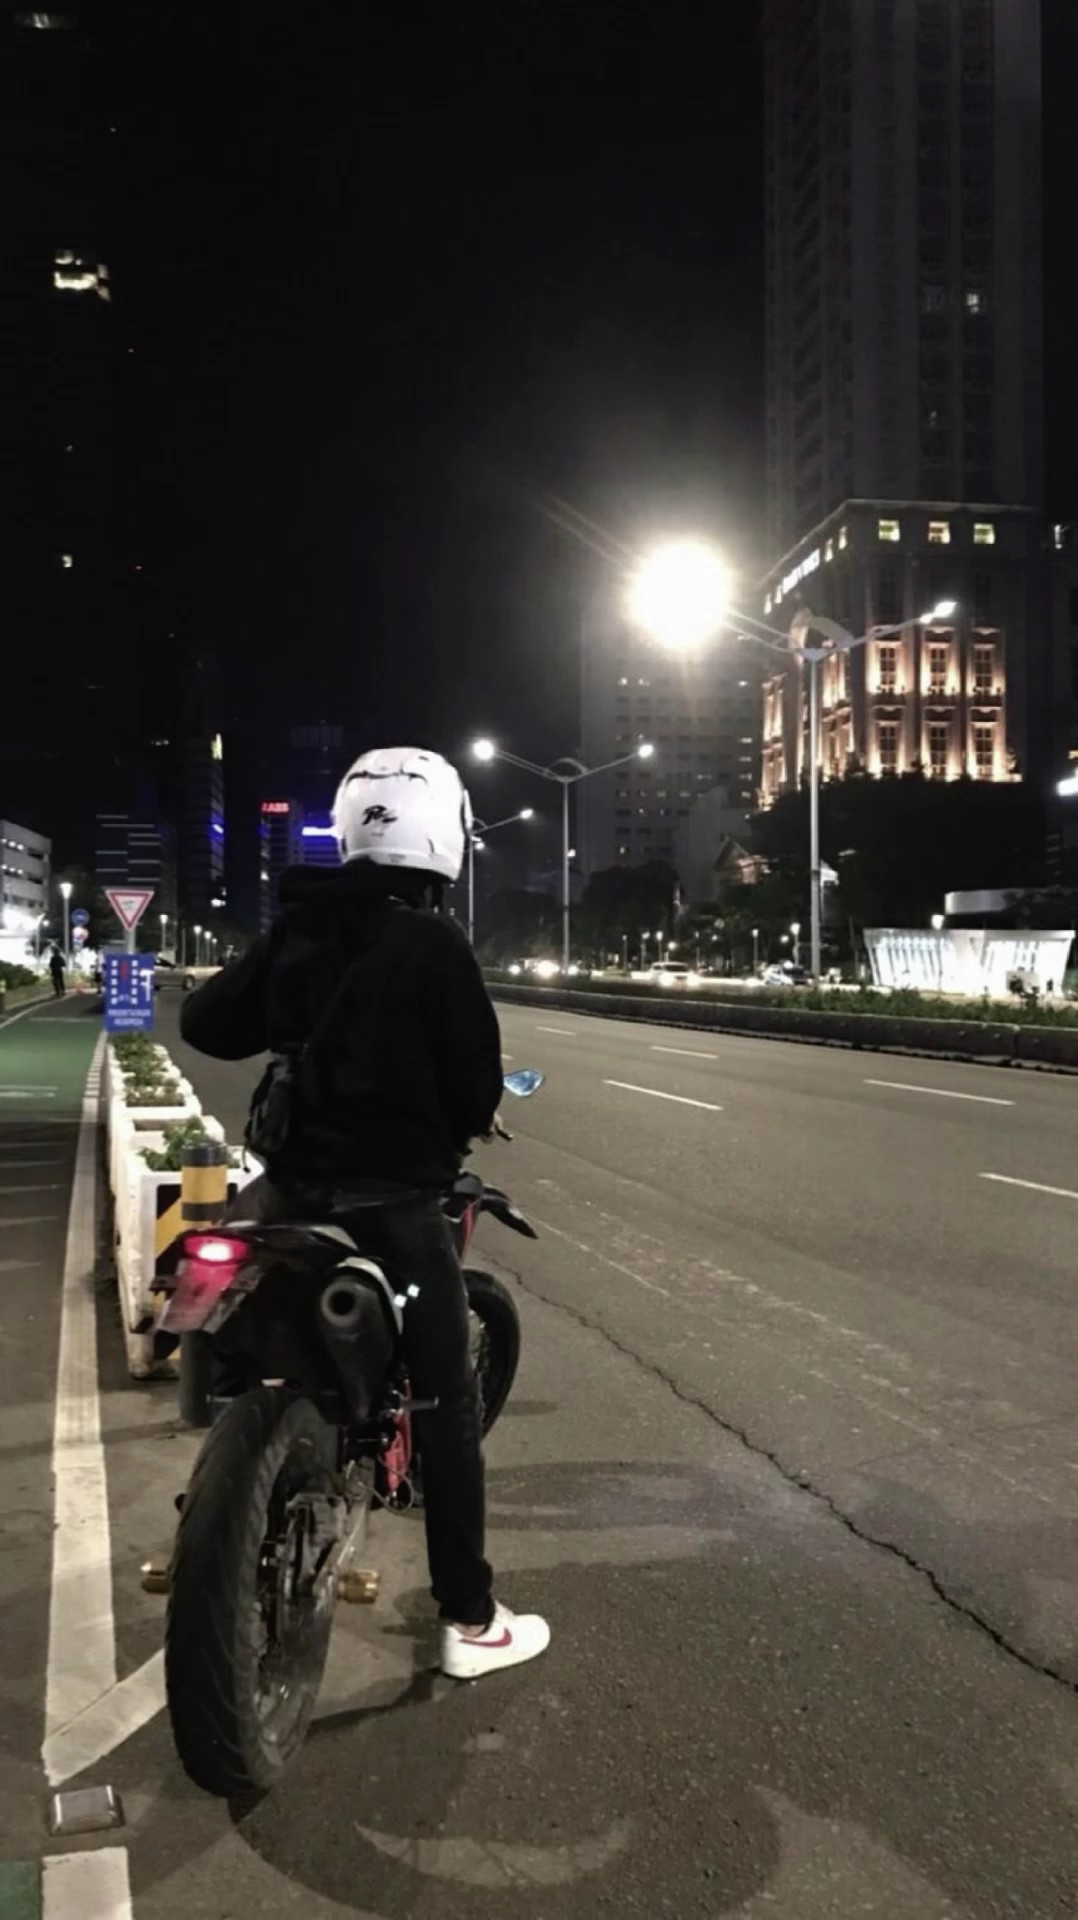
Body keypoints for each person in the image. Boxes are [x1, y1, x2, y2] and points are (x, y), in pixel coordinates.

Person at [180, 746, 550, 1681]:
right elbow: (472, 1090)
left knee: (213, 1277)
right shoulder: (434, 945)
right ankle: (469, 1618)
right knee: (447, 1402)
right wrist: (465, 1113)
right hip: (393, 1206)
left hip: (288, 1189)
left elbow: (206, 1024)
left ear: (351, 827)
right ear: (444, 835)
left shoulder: (301, 926)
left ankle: (223, 1452)